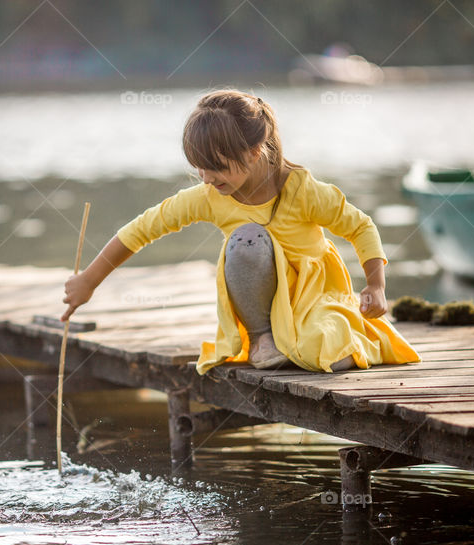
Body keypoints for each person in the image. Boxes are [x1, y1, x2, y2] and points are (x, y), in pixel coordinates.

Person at [62, 89, 420, 374]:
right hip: (258, 311)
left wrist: (375, 284)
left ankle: (337, 343)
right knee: (247, 238)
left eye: (215, 168)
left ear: (252, 153)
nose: (206, 179)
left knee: (317, 346)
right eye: (199, 169)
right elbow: (141, 230)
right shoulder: (209, 196)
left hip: (312, 301)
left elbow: (360, 226)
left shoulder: (302, 190)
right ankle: (263, 339)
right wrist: (89, 281)